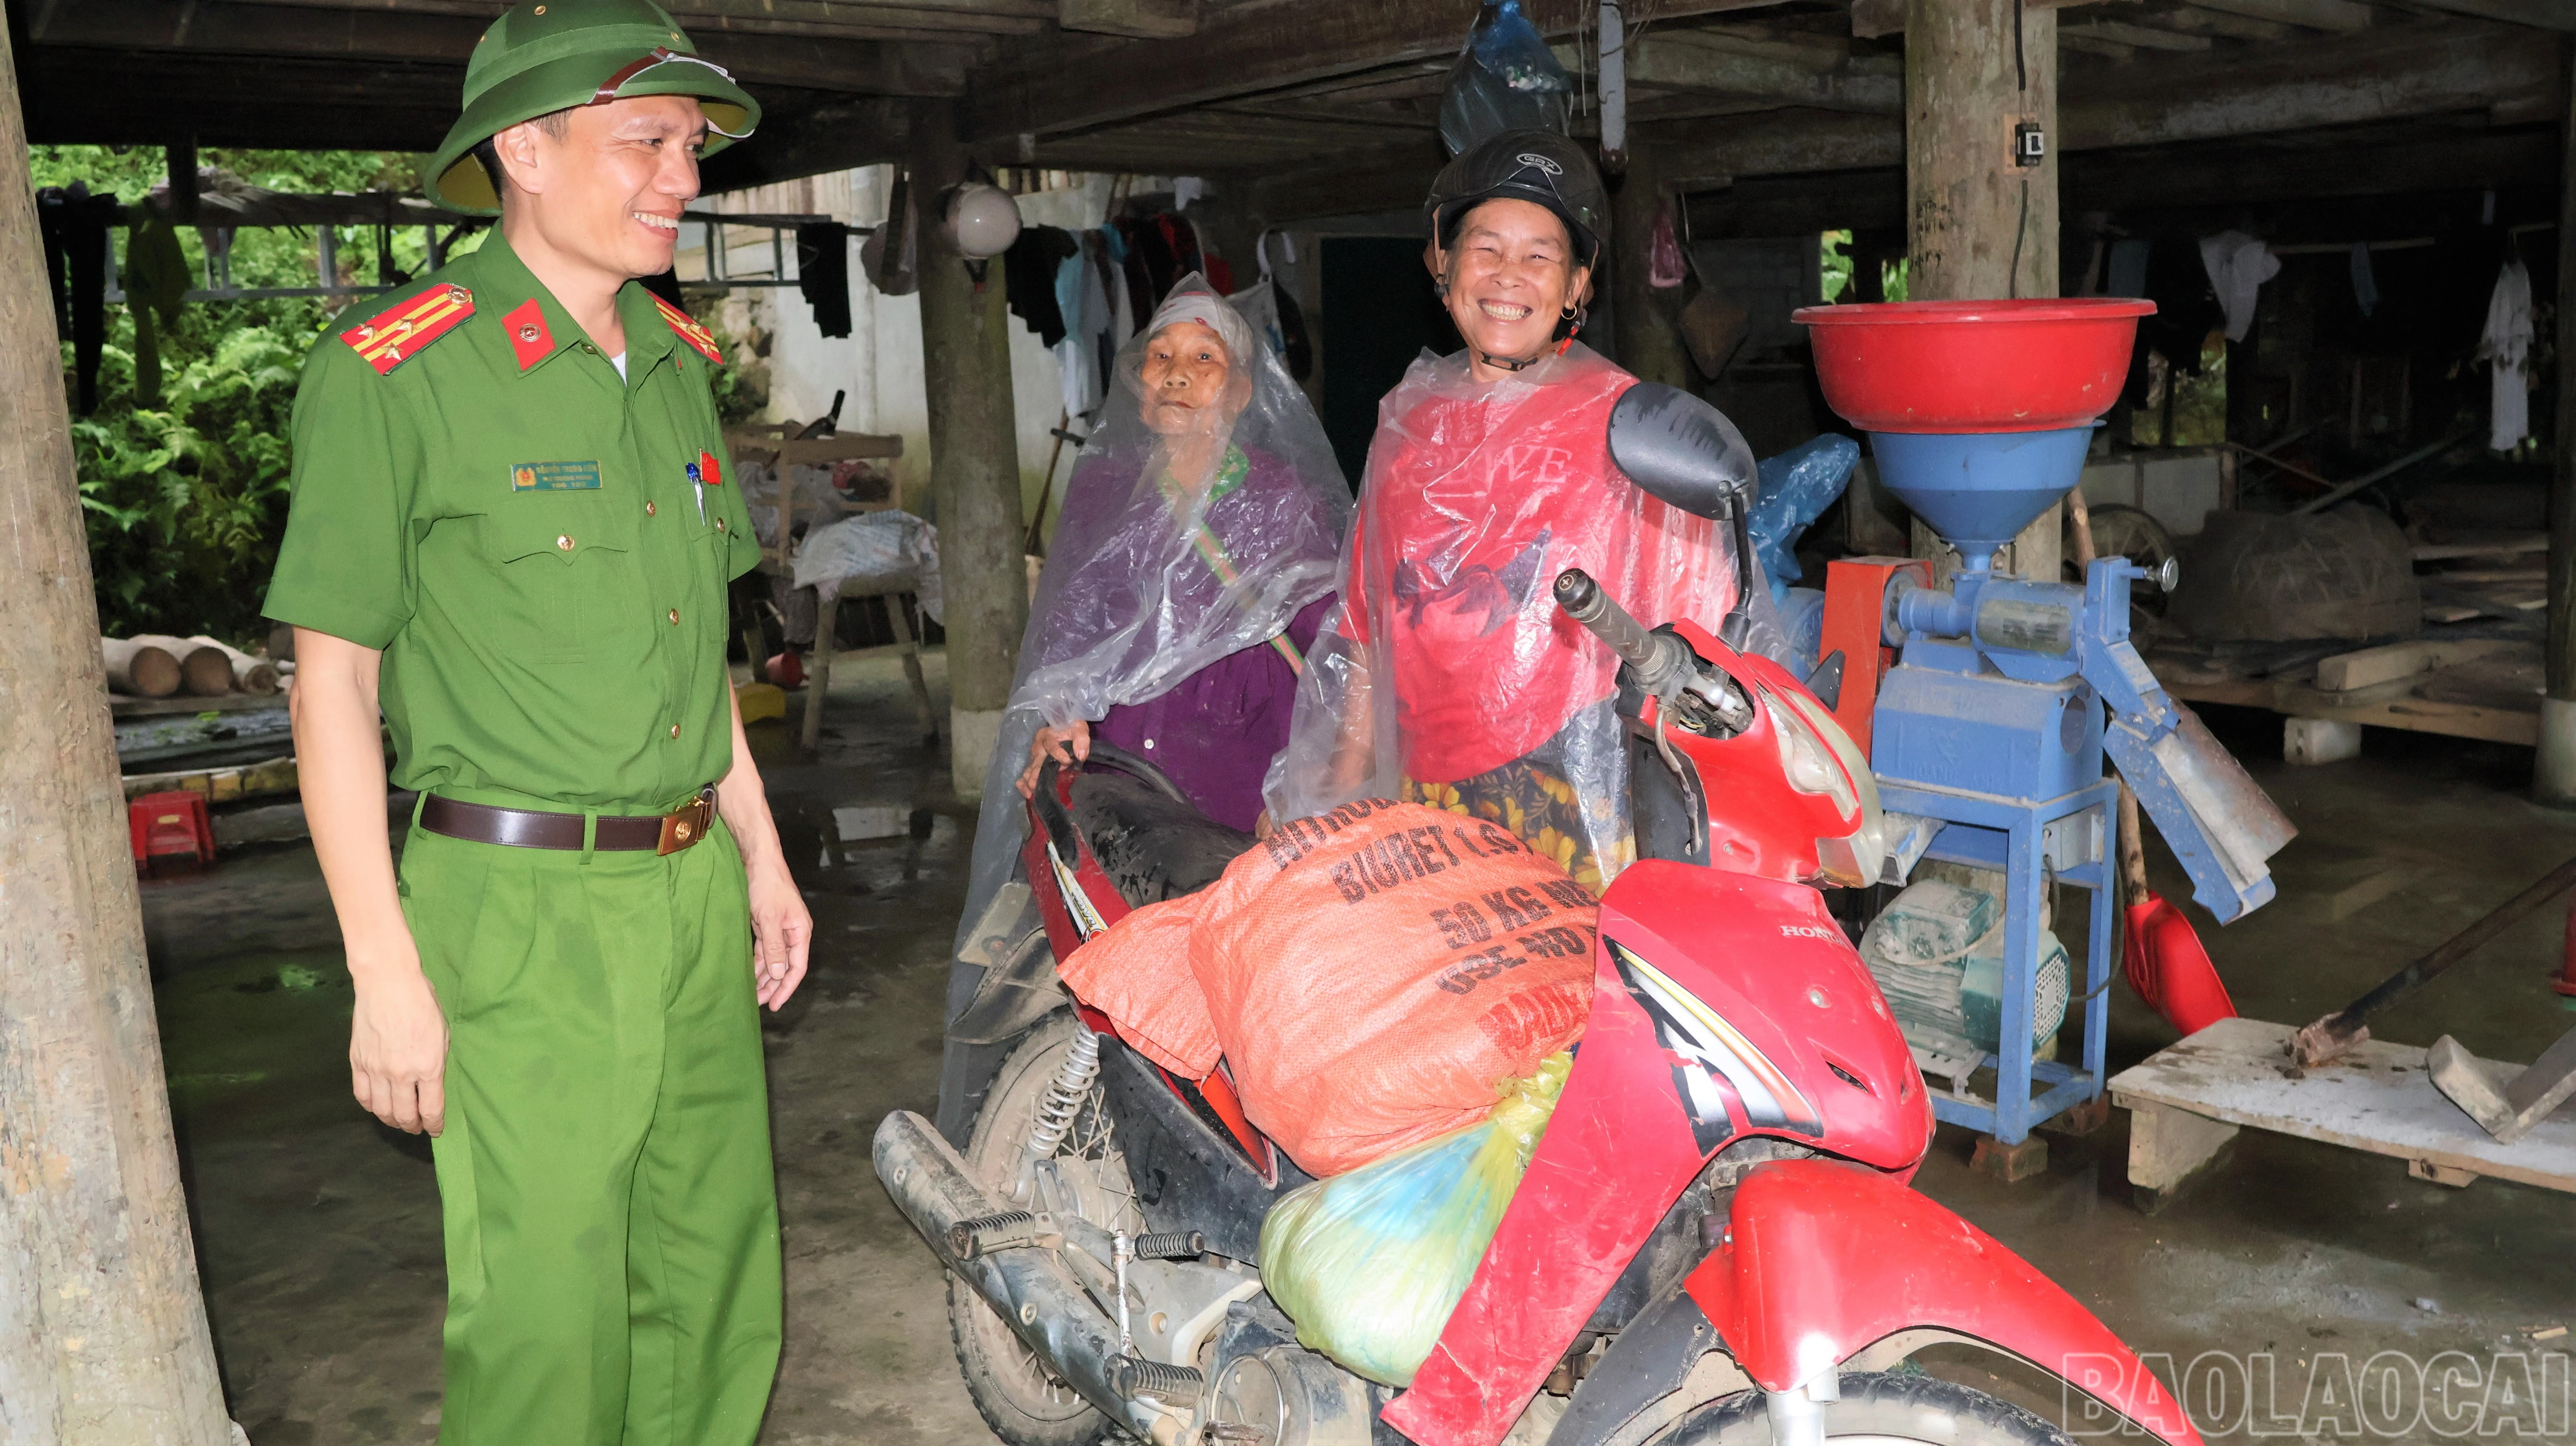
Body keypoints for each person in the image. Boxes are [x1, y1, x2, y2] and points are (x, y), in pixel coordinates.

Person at [264, 4, 802, 1443]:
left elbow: (698, 651)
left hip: (689, 888)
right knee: (550, 1313)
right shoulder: (398, 371)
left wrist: (760, 849)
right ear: (523, 145)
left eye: (690, 145)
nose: (682, 174)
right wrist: (382, 968)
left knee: (712, 1275)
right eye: (645, 140)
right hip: (520, 908)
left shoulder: (677, 362)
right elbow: (334, 683)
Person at [1263, 130, 1783, 893]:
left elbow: (1709, 656)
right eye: (1486, 248)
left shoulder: (1631, 429)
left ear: (1577, 284)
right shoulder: (1407, 426)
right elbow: (1365, 632)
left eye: (1540, 255)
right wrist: (1322, 802)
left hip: (1582, 798)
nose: (1509, 276)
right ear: (1443, 262)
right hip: (1425, 797)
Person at [940, 276, 1349, 1128]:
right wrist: (1059, 716)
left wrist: (1319, 790)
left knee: (1238, 960)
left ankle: (1242, 1129)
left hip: (1248, 769)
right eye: (1160, 357)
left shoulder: (1282, 499)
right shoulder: (1106, 490)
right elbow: (1076, 626)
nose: (1176, 374)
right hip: (1131, 765)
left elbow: (1342, 655)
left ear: (1239, 389)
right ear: (1136, 381)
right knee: (1126, 953)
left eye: (1204, 359)